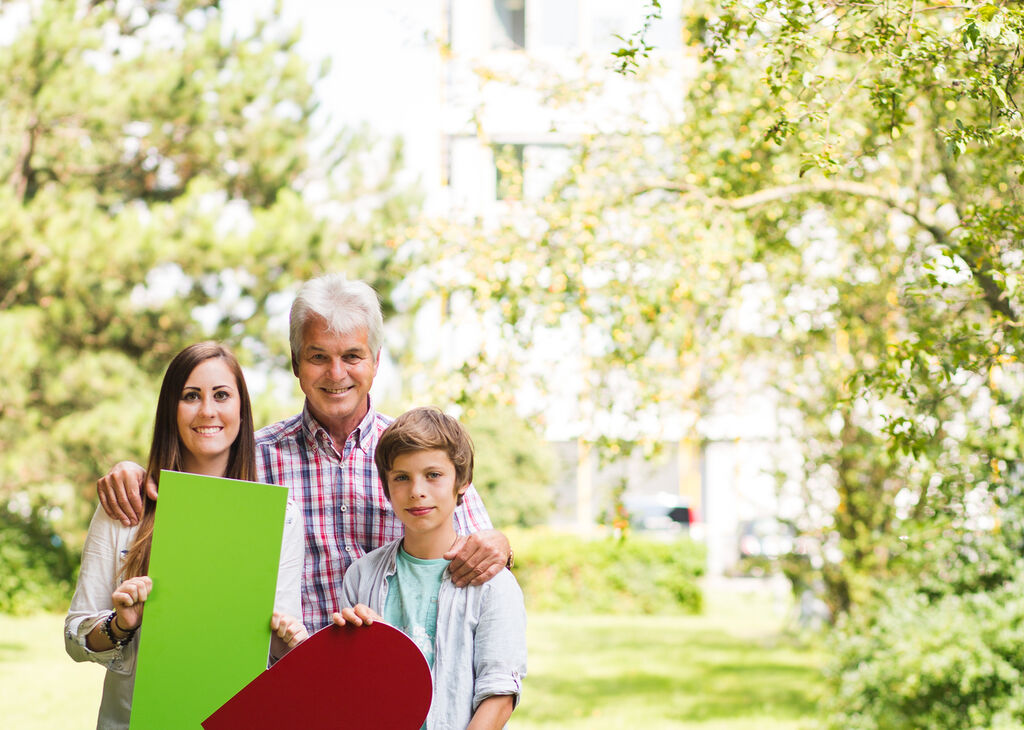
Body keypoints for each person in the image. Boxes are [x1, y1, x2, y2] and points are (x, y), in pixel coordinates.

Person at [95, 273, 512, 632]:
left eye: (352, 356)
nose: (336, 373)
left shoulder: (418, 457)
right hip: (285, 679)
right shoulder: (251, 460)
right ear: (296, 363)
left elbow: (482, 548)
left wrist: (500, 546)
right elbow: (187, 498)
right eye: (318, 357)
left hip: (395, 681)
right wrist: (133, 470)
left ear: (375, 362)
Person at [65, 342, 307, 730]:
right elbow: (75, 638)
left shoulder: (281, 517)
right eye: (190, 396)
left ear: (241, 410)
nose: (208, 411)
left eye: (222, 395)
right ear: (170, 411)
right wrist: (120, 624)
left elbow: (278, 644)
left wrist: (288, 640)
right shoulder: (127, 506)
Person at [333, 407, 526, 730]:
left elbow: (499, 694)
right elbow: (355, 688)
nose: (416, 491)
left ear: (462, 482)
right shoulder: (361, 576)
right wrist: (370, 647)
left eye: (433, 475)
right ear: (387, 487)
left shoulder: (493, 584)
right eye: (401, 478)